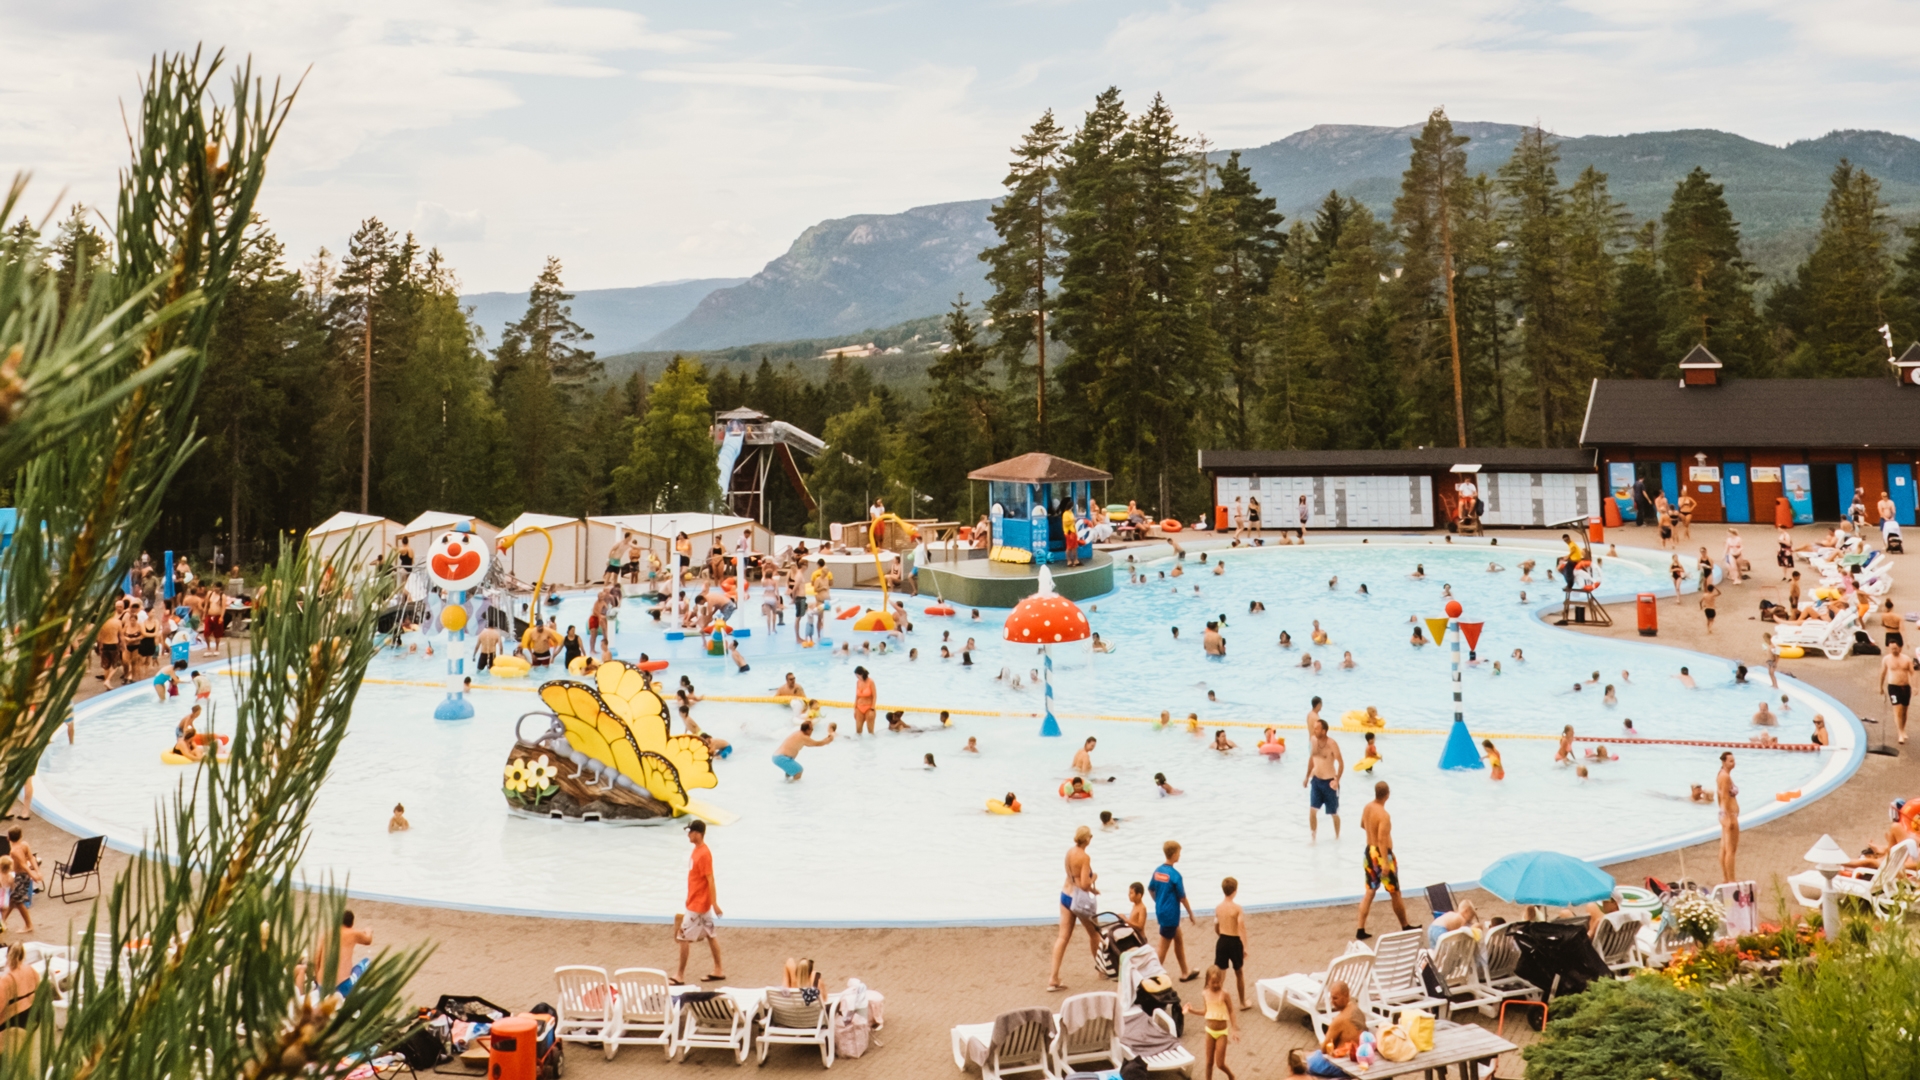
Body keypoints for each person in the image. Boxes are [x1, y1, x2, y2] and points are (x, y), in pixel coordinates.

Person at [1046, 826, 1100, 992]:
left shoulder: (1070, 852)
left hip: (1065, 894)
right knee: (1094, 934)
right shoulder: (1084, 857)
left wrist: (1091, 888)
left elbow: (1073, 877)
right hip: (1078, 900)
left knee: (1062, 937)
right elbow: (1083, 884)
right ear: (1087, 839)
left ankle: (1053, 977)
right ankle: (1101, 969)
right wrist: (1094, 878)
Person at [1356, 781, 1410, 940]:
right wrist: (1386, 862)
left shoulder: (1367, 807)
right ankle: (1405, 925)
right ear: (1388, 794)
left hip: (1369, 852)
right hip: (1382, 855)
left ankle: (1360, 929)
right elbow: (1381, 839)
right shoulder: (1384, 815)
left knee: (1370, 891)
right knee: (1395, 892)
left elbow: (1362, 825)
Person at [673, 820, 725, 984]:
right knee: (711, 935)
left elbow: (711, 880)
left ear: (697, 833)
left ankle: (680, 975)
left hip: (698, 906)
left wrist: (714, 903)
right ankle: (718, 970)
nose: (688, 835)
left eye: (690, 832)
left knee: (682, 937)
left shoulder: (704, 854)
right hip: (697, 903)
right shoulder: (696, 851)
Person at [1149, 840, 1198, 981]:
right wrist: (1190, 913)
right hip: (1171, 914)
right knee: (1163, 948)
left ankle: (1185, 972)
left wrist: (1158, 901)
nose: (1180, 856)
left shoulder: (1158, 871)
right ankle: (1152, 977)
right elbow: (1182, 897)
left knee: (1178, 939)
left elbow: (1151, 889)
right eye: (1179, 853)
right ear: (1174, 854)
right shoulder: (1176, 875)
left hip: (1161, 911)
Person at [1184, 965, 1241, 1080]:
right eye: (1213, 982)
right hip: (1209, 1031)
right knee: (1208, 1063)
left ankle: (1231, 1075)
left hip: (1221, 1032)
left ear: (1221, 981)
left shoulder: (1224, 994)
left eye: (1218, 982)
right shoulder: (1205, 994)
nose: (1215, 985)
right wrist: (1191, 1010)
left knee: (1220, 1063)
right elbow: (1206, 1012)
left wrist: (1234, 1029)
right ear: (1207, 981)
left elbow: (1231, 1011)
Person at [1304, 981, 1365, 1077]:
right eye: (1331, 998)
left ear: (1346, 995)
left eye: (1335, 998)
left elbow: (1324, 1049)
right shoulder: (1357, 1010)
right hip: (1357, 1057)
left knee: (1300, 1062)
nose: (1332, 1002)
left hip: (1342, 1065)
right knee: (1310, 1053)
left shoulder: (1340, 1020)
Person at [313, 910, 374, 995]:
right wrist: (368, 931)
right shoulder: (353, 933)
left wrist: (317, 980)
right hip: (342, 986)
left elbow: (316, 959)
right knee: (367, 962)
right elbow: (368, 940)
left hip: (322, 987)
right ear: (352, 923)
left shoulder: (325, 934)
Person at [1303, 716, 1343, 841]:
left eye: (1316, 729)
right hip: (1316, 781)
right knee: (1312, 811)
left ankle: (1337, 838)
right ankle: (1313, 839)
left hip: (1329, 782)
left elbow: (1341, 763)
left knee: (1333, 814)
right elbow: (1312, 759)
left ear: (1324, 731)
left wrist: (1337, 780)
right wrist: (1306, 776)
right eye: (1314, 728)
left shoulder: (1332, 744)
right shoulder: (1313, 740)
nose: (1314, 731)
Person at [1214, 877, 1250, 1011]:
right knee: (1239, 972)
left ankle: (1217, 1003)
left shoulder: (1218, 908)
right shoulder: (1237, 908)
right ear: (1235, 891)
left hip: (1222, 941)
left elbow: (1216, 926)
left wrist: (1221, 936)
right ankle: (1242, 1002)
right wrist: (1245, 946)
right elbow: (1241, 926)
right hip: (1234, 941)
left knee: (1221, 973)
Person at [1883, 641, 1916, 744]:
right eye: (1891, 648)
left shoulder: (1906, 659)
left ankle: (1903, 728)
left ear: (1900, 648)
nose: (1893, 650)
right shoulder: (1887, 659)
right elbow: (1883, 672)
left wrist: (1915, 687)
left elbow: (1913, 673)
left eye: (1895, 648)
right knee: (1898, 710)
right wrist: (1880, 686)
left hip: (1905, 687)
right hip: (1893, 686)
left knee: (1904, 711)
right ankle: (1900, 732)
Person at [1717, 752, 1740, 883]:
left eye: (1734, 760)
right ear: (1724, 762)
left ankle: (1726, 878)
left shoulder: (1721, 775)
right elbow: (1725, 797)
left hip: (1725, 813)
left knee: (1725, 848)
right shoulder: (1725, 777)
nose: (1733, 763)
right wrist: (1728, 818)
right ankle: (1731, 879)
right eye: (1731, 761)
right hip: (1729, 814)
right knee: (1731, 849)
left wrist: (1721, 813)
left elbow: (1719, 795)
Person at [852, 666, 877, 736]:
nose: (857, 677)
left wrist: (872, 708)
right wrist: (855, 708)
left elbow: (874, 696)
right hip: (859, 707)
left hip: (869, 708)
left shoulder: (871, 682)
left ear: (861, 674)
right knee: (858, 731)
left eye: (857, 676)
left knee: (870, 731)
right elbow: (857, 696)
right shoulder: (858, 682)